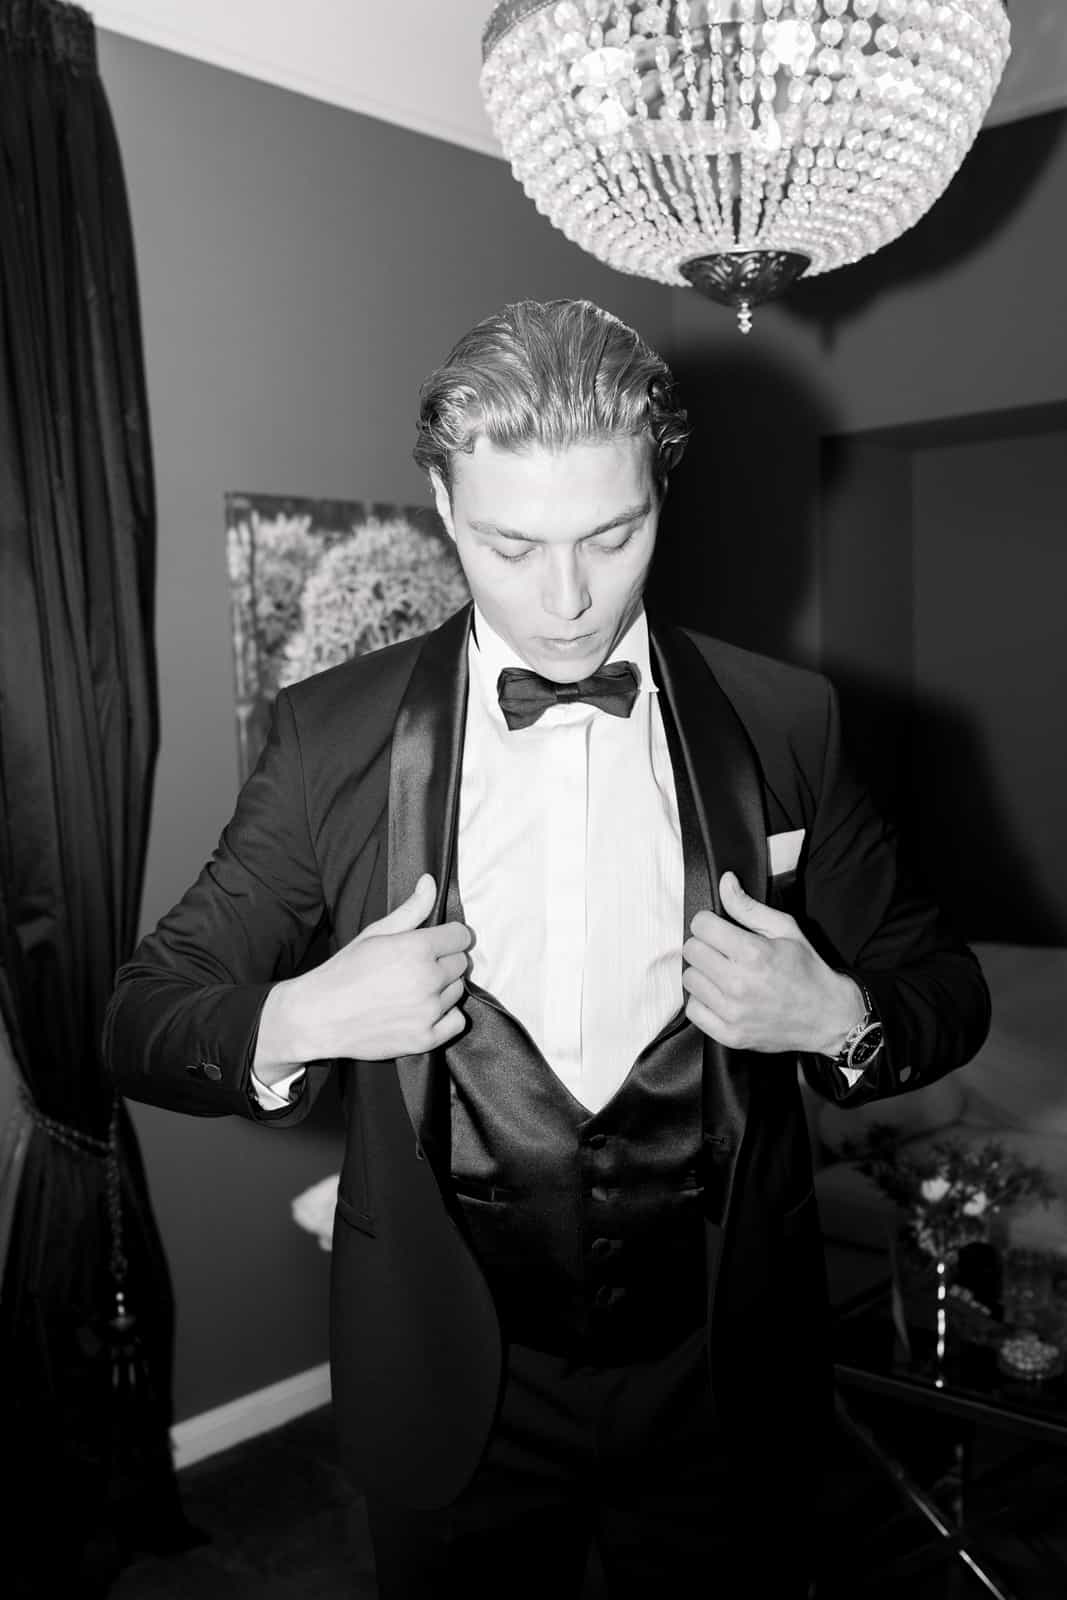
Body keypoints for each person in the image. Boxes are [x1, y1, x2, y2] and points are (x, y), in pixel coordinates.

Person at [104, 299, 990, 1598]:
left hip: (719, 1371)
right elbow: (141, 1016)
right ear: (447, 509)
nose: (568, 599)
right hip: (454, 1382)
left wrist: (838, 1014)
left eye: (612, 535)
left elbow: (946, 994)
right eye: (513, 545)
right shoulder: (327, 741)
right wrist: (299, 1019)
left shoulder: (785, 719)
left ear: (659, 497)